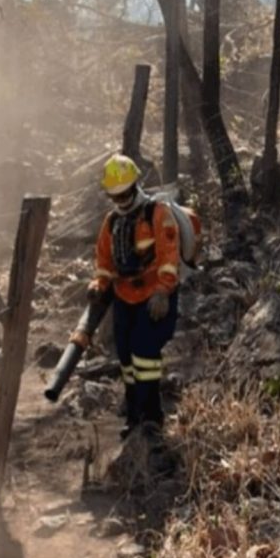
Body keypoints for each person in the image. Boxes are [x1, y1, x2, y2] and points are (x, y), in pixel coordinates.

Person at [87, 154, 180, 439]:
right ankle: (134, 416)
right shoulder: (111, 222)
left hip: (154, 297)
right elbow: (104, 260)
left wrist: (163, 291)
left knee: (145, 354)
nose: (121, 200)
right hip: (124, 296)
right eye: (115, 195)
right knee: (126, 357)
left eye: (125, 193)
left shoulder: (157, 214)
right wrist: (99, 284)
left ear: (135, 185)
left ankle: (152, 418)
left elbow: (169, 257)